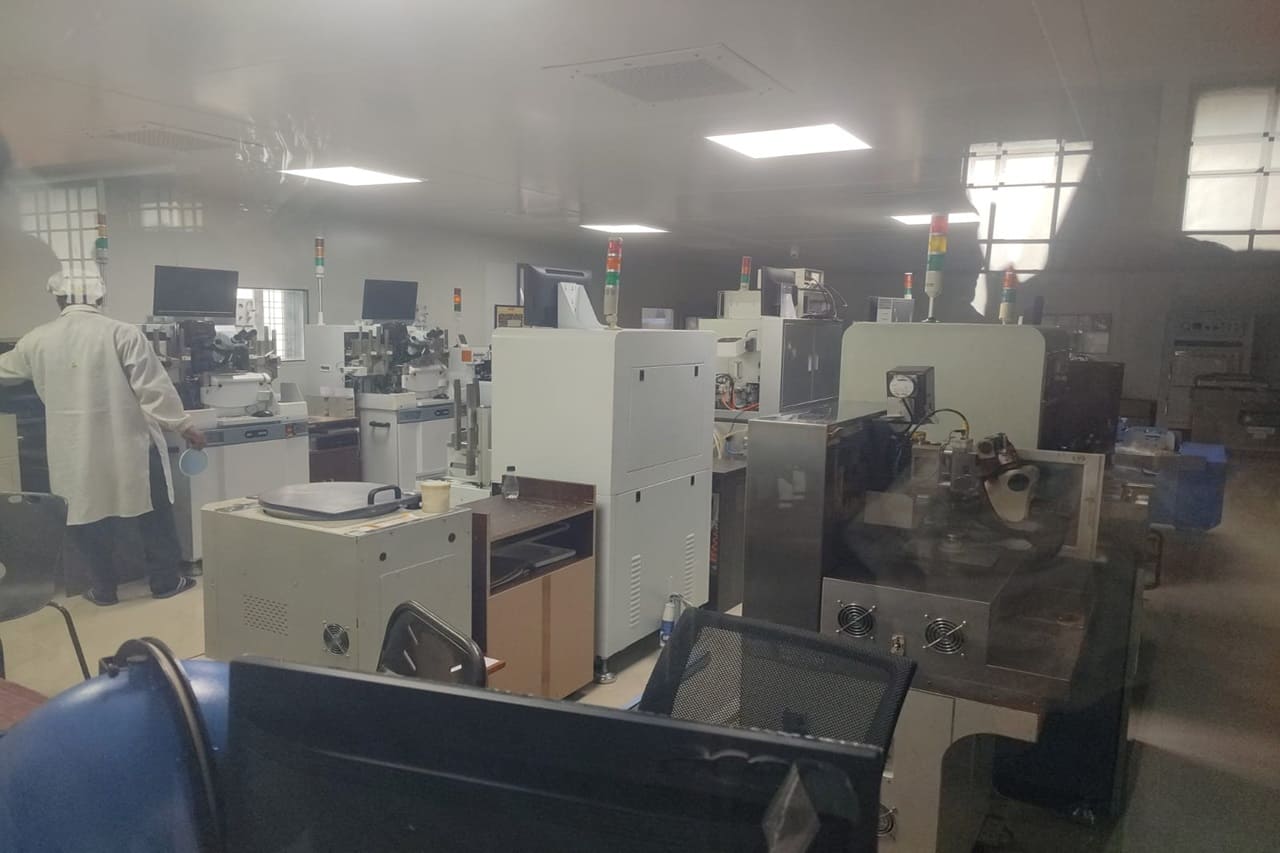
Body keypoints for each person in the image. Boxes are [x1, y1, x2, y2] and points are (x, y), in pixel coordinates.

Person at [0, 271, 205, 604]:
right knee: (152, 512)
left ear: (58, 299)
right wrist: (185, 427)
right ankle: (166, 582)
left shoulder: (36, 340)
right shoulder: (122, 333)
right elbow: (154, 389)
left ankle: (103, 589)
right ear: (99, 297)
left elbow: (4, 370)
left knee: (87, 516)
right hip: (130, 445)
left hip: (73, 448)